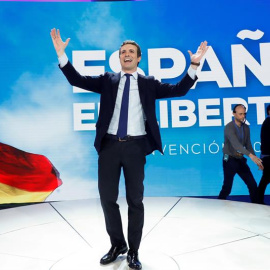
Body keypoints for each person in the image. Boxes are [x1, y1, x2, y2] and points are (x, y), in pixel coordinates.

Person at [50, 28, 208, 269]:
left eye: (131, 52)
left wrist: (194, 65)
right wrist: (62, 55)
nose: (126, 55)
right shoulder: (107, 80)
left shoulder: (148, 83)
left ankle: (134, 251)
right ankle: (117, 245)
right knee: (107, 199)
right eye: (123, 52)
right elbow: (77, 80)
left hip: (135, 147)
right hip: (109, 147)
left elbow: (179, 89)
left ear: (138, 57)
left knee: (135, 201)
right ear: (119, 57)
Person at [218, 104, 263, 203]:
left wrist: (256, 160)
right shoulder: (229, 127)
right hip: (229, 160)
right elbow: (236, 145)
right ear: (234, 114)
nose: (243, 116)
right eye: (240, 114)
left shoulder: (246, 127)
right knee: (227, 187)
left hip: (241, 160)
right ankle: (218, 204)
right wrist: (251, 156)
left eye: (244, 114)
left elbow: (248, 144)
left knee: (252, 185)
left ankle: (257, 207)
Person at [258, 104, 270, 204]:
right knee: (266, 178)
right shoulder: (268, 122)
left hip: (266, 156)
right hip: (268, 156)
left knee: (266, 178)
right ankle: (258, 200)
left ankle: (258, 200)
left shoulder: (267, 122)